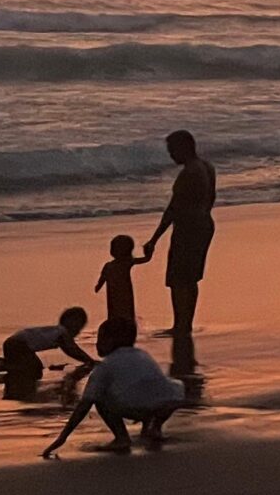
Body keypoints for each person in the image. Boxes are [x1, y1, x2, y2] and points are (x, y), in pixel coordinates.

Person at [40, 328, 183, 456]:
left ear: (110, 341)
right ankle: (154, 428)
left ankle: (121, 438)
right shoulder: (142, 354)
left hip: (139, 405)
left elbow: (85, 404)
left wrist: (62, 438)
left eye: (100, 339)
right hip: (165, 403)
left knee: (100, 398)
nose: (97, 344)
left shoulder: (105, 366)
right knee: (162, 388)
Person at [145, 130, 217, 339]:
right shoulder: (207, 167)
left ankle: (180, 325)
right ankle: (186, 322)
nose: (171, 155)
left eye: (172, 150)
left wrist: (154, 238)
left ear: (184, 147)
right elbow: (211, 197)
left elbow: (173, 209)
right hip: (204, 223)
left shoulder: (189, 173)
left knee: (178, 278)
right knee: (191, 277)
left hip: (189, 228)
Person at [0, 309, 95, 390]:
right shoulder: (62, 333)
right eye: (78, 328)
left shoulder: (56, 330)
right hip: (20, 345)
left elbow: (72, 350)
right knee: (33, 369)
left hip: (13, 342)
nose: (78, 332)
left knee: (23, 365)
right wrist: (90, 361)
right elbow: (72, 350)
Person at [94, 234, 150, 350]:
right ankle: (117, 333)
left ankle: (127, 334)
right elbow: (103, 277)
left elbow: (145, 259)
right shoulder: (109, 265)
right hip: (114, 294)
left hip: (124, 293)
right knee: (114, 313)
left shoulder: (127, 262)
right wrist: (98, 285)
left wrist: (149, 252)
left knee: (126, 313)